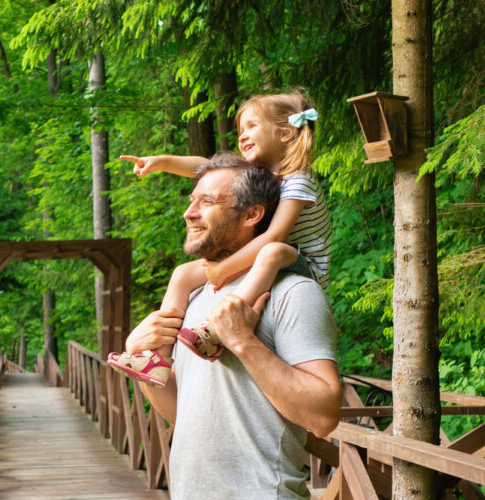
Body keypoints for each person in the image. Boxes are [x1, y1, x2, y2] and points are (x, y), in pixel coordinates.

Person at [125, 153, 342, 500]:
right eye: (191, 200)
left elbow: (324, 414)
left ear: (252, 215)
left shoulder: (292, 292)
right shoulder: (194, 297)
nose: (189, 212)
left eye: (207, 202)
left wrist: (242, 340)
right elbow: (180, 413)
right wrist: (142, 363)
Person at [108, 91, 331, 387]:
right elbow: (205, 166)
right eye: (240, 130)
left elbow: (276, 235)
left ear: (286, 132)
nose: (242, 136)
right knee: (182, 275)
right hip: (273, 252)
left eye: (251, 126)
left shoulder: (298, 180)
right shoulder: (262, 174)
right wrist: (162, 161)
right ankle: (157, 360)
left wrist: (222, 270)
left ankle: (215, 331)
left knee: (273, 251)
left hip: (303, 262)